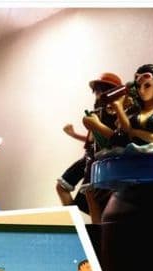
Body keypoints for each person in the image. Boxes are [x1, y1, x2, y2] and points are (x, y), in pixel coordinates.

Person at [58, 72, 123, 217]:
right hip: (90, 155)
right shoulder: (97, 112)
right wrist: (74, 134)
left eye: (103, 90)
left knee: (92, 195)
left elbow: (116, 138)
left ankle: (96, 228)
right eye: (97, 91)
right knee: (63, 186)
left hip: (102, 158)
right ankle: (76, 223)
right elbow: (92, 140)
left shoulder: (115, 113)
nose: (99, 95)